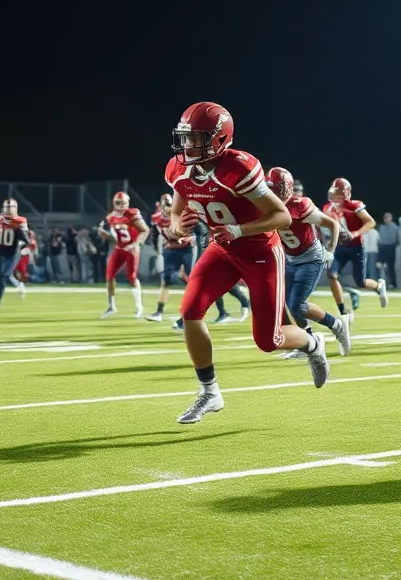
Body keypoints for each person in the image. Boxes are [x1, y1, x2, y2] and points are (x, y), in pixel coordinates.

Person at [166, 101, 329, 424]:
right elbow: (177, 208)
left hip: (260, 253)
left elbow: (281, 216)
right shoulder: (178, 168)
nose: (187, 145)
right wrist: (176, 225)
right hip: (223, 251)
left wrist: (238, 229)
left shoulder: (237, 168)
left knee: (270, 341)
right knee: (190, 311)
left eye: (196, 138)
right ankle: (210, 393)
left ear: (219, 139)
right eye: (185, 137)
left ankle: (313, 342)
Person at [269, 167, 351, 359]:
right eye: (270, 188)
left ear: (285, 188)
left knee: (296, 305)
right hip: (289, 259)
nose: (272, 192)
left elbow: (333, 224)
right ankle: (309, 342)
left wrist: (330, 250)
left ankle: (336, 325)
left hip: (310, 258)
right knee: (286, 306)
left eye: (276, 188)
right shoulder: (266, 205)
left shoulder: (299, 204)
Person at [324, 178, 389, 319]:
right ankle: (342, 310)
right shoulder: (327, 208)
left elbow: (370, 222)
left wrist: (355, 234)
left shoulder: (355, 205)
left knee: (361, 282)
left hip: (356, 248)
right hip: (339, 248)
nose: (336, 195)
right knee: (332, 275)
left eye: (339, 192)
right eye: (334, 192)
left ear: (347, 192)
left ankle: (378, 286)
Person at [146, 192, 195, 322]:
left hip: (186, 249)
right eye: (164, 205)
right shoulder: (156, 217)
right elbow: (155, 234)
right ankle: (158, 312)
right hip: (170, 251)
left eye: (169, 204)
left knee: (193, 281)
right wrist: (158, 249)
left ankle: (191, 311)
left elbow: (197, 233)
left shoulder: (184, 213)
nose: (167, 208)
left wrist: (185, 238)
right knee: (166, 279)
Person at [98, 192, 149, 318]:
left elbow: (145, 230)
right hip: (119, 249)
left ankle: (139, 306)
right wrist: (104, 235)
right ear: (113, 203)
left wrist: (136, 244)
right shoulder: (111, 217)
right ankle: (111, 307)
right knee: (109, 275)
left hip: (131, 249)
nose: (120, 206)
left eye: (123, 203)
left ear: (127, 203)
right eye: (117, 203)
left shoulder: (132, 214)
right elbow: (116, 238)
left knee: (131, 277)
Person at [0, 198, 29, 313]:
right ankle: (20, 286)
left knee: (3, 275)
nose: (10, 210)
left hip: (13, 253)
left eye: (12, 207)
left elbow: (26, 239)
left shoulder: (19, 221)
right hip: (1, 251)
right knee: (2, 277)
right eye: (8, 207)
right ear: (4, 208)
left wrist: (23, 246)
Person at [376, 211, 400, 288]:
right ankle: (382, 282)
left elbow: (397, 240)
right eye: (385, 218)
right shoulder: (381, 227)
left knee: (391, 267)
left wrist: (393, 245)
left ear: (391, 218)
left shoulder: (395, 227)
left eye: (388, 217)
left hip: (391, 248)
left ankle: (393, 283)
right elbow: (379, 239)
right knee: (380, 266)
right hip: (382, 248)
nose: (386, 219)